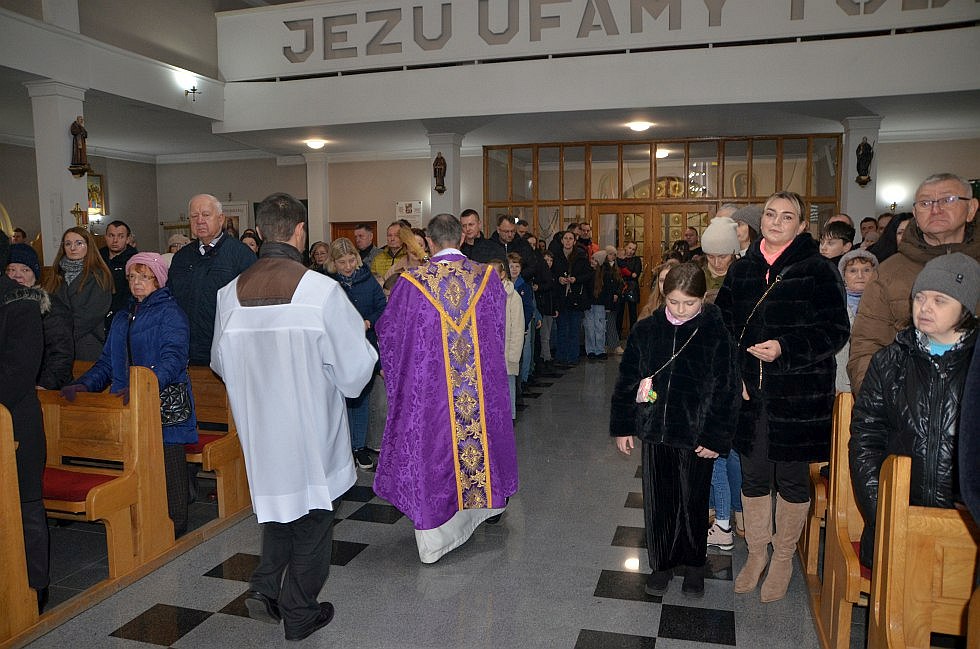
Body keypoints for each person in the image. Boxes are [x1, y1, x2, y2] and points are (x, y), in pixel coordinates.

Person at [211, 193, 377, 641]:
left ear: (261, 232)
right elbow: (354, 373)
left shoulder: (230, 295)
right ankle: (300, 611)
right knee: (315, 517)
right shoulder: (321, 291)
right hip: (309, 426)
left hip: (261, 428)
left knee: (281, 506)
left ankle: (265, 586)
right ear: (301, 232)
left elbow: (220, 362)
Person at [715, 190, 849, 603]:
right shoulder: (742, 270)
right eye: (770, 214)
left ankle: (784, 557)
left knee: (791, 479)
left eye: (786, 216)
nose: (775, 221)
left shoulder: (818, 269)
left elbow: (835, 331)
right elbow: (721, 327)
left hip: (799, 396)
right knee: (753, 476)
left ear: (802, 225)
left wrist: (784, 349)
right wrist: (734, 373)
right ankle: (757, 553)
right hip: (750, 394)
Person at [373, 213, 519, 564]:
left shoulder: (411, 283)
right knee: (480, 440)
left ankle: (437, 536)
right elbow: (496, 332)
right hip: (478, 390)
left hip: (432, 394)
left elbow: (389, 334)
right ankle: (484, 507)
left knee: (435, 450)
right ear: (461, 238)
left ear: (430, 241)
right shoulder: (487, 278)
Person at [610, 263, 740, 598]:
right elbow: (627, 380)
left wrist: (715, 437)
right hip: (656, 432)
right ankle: (662, 564)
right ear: (663, 295)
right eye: (674, 302)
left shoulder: (715, 332)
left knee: (693, 502)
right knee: (659, 502)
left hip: (697, 436)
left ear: (703, 298)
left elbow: (726, 389)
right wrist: (624, 426)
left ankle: (694, 564)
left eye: (689, 303)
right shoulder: (647, 330)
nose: (681, 310)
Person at [850, 253, 978, 568]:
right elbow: (866, 440)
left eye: (939, 300)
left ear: (966, 308)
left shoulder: (974, 366)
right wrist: (883, 513)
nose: (925, 307)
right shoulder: (889, 362)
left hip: (966, 528)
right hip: (897, 517)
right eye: (919, 298)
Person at [64, 252, 198, 536]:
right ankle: (143, 522)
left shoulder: (171, 313)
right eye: (133, 277)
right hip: (128, 403)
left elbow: (174, 358)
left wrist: (145, 386)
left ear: (158, 280)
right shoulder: (123, 317)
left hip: (163, 402)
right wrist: (84, 385)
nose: (137, 282)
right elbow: (107, 363)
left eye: (145, 277)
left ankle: (175, 525)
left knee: (169, 466)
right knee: (137, 466)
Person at [848, 173, 979, 393]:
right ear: (915, 213)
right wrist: (882, 403)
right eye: (925, 203)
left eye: (948, 200)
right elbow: (866, 347)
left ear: (972, 208)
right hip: (907, 402)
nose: (935, 209)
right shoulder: (889, 272)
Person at [0, 231, 51, 612]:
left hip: (14, 418)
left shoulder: (19, 301)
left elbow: (19, 371)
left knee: (26, 503)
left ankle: (36, 586)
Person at [168, 194, 256, 365]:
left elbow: (251, 307)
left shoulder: (241, 255)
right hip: (185, 352)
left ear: (221, 219)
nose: (200, 220)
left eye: (206, 215)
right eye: (194, 216)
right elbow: (170, 300)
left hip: (227, 352)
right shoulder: (181, 258)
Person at [328, 237, 387, 471]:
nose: (348, 266)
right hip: (337, 349)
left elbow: (381, 307)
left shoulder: (367, 279)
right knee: (339, 401)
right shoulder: (328, 283)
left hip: (364, 345)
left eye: (351, 260)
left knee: (361, 398)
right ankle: (342, 450)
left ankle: (359, 447)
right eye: (342, 262)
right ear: (334, 263)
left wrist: (368, 322)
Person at [5, 244, 73, 389]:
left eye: (25, 270)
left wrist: (44, 385)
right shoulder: (4, 306)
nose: (17, 275)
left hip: (40, 387)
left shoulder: (51, 307)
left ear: (35, 276)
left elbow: (60, 354)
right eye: (11, 270)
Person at [43, 227, 113, 362]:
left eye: (79, 243)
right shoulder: (55, 275)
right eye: (68, 244)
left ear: (88, 246)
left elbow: (90, 315)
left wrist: (62, 336)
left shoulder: (99, 275)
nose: (73, 248)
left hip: (85, 343)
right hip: (55, 345)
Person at [834, 250, 878, 393]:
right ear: (843, 275)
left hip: (873, 378)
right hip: (838, 380)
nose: (860, 276)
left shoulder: (883, 304)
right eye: (853, 271)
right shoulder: (833, 303)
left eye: (866, 270)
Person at [488, 259, 525, 420]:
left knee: (508, 386)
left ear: (502, 274)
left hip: (507, 350)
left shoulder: (513, 297)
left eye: (494, 273)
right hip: (490, 350)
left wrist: (513, 355)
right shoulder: (484, 294)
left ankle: (510, 417)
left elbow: (517, 327)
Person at [552, 230, 592, 367]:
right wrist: (559, 279)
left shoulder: (581, 256)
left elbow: (588, 274)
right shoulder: (556, 256)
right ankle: (561, 356)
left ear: (574, 241)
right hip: (561, 298)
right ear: (562, 241)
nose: (568, 241)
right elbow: (551, 273)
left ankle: (573, 357)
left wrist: (576, 279)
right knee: (562, 329)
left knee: (574, 329)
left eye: (570, 238)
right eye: (566, 238)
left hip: (576, 297)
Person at [100, 220, 139, 326]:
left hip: (123, 313)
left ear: (128, 239)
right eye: (111, 235)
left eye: (121, 236)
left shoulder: (135, 261)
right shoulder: (97, 258)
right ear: (105, 237)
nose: (115, 240)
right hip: (99, 312)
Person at [700, 216, 740, 301]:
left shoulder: (743, 276)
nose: (716, 263)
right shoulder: (698, 276)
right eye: (710, 256)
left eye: (722, 257)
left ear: (733, 254)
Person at [489, 214, 538, 282]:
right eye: (506, 231)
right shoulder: (490, 245)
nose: (510, 235)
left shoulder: (523, 244)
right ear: (498, 230)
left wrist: (518, 278)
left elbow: (532, 266)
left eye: (513, 231)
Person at [615, 241, 643, 347]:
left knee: (632, 313)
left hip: (632, 288)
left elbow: (636, 274)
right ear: (625, 247)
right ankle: (617, 335)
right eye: (630, 248)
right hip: (621, 287)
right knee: (619, 312)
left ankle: (633, 335)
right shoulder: (619, 259)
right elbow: (620, 273)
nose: (631, 251)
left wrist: (628, 273)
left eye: (633, 249)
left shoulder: (636, 260)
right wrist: (630, 273)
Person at [536, 251, 557, 371]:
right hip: (543, 308)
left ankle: (545, 356)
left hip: (550, 308)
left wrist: (555, 308)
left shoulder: (552, 274)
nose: (548, 263)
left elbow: (555, 294)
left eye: (551, 260)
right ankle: (546, 358)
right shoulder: (540, 275)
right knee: (544, 335)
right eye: (546, 260)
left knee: (547, 334)